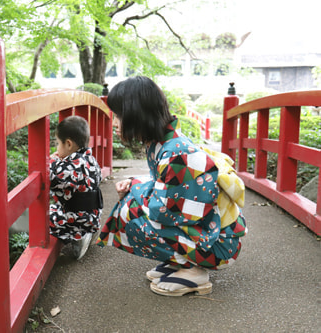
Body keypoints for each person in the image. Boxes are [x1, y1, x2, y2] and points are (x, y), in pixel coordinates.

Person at [96, 76, 247, 296]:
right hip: (211, 234)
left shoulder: (176, 153)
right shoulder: (163, 143)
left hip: (219, 247)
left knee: (130, 211)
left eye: (119, 115)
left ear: (137, 114)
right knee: (131, 204)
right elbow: (166, 191)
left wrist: (134, 190)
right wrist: (135, 185)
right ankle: (181, 262)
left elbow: (163, 211)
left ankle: (195, 271)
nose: (115, 122)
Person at [49, 115, 103, 260]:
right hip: (92, 216)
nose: (56, 148)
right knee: (57, 208)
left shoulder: (68, 168)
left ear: (68, 144)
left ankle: (78, 237)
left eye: (57, 143)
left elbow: (49, 177)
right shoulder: (91, 160)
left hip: (77, 221)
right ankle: (87, 232)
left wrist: (52, 160)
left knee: (39, 219)